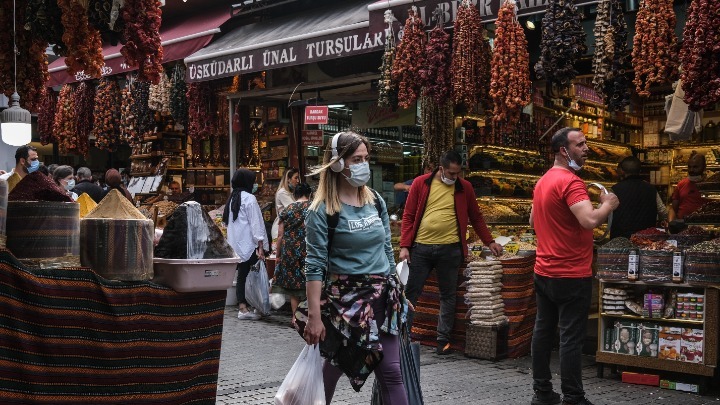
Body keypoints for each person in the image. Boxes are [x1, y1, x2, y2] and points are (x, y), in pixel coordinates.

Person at [300, 131, 408, 405]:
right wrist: (314, 316)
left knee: (392, 372)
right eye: (356, 159)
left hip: (382, 299)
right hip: (345, 306)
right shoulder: (321, 210)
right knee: (333, 368)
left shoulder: (376, 201)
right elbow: (313, 265)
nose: (363, 165)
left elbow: (386, 247)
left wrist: (397, 287)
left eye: (366, 159)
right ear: (337, 164)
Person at [529, 127, 619, 405]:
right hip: (571, 273)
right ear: (563, 151)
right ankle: (573, 398)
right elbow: (589, 220)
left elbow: (532, 222)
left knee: (543, 331)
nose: (586, 148)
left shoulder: (543, 181)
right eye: (579, 145)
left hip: (544, 270)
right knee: (570, 338)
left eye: (585, 143)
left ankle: (543, 393)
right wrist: (608, 204)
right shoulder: (571, 183)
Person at [399, 150, 502, 355]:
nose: (455, 178)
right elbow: (408, 216)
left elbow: (476, 217)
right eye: (451, 173)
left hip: (451, 249)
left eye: (458, 174)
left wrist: (489, 241)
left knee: (448, 295)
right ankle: (402, 336)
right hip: (421, 248)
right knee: (411, 293)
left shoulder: (465, 187)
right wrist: (404, 246)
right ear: (441, 169)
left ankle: (442, 340)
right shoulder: (421, 183)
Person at [223, 168, 268, 320]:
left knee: (242, 275)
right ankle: (256, 305)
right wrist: (260, 245)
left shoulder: (232, 198)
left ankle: (243, 306)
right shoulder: (249, 198)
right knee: (255, 274)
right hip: (249, 244)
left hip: (237, 244)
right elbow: (255, 223)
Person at [272, 182, 312, 325]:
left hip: (290, 250)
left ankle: (295, 318)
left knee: (294, 287)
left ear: (295, 195)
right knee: (310, 283)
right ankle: (309, 316)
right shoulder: (314, 208)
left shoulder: (288, 209)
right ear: (309, 194)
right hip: (309, 249)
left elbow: (280, 234)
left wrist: (278, 254)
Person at [610, 156, 668, 239]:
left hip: (621, 240)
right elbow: (663, 212)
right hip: (647, 240)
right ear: (640, 171)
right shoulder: (651, 189)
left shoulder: (615, 189)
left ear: (622, 171)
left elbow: (605, 213)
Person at [669, 152, 709, 221]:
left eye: (695, 167)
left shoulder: (711, 186)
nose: (691, 170)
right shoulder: (681, 184)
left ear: (704, 167)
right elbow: (673, 209)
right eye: (689, 167)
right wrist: (670, 223)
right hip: (683, 227)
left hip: (704, 226)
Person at [271, 167, 299, 240]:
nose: (298, 181)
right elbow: (294, 209)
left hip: (286, 230)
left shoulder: (289, 192)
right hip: (280, 231)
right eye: (295, 178)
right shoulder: (282, 193)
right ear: (288, 179)